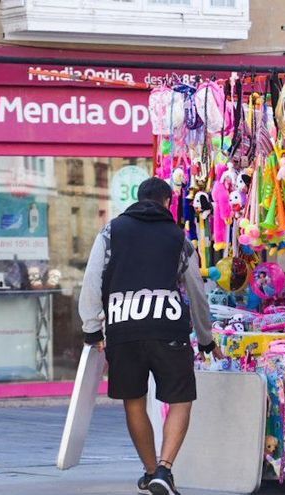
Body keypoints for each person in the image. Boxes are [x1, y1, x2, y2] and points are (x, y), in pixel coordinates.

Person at [79, 177, 224, 495]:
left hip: (122, 327)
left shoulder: (111, 231)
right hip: (167, 327)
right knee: (181, 400)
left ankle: (149, 471)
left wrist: (92, 329)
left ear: (137, 199)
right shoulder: (177, 237)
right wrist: (205, 337)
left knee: (134, 401)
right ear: (168, 202)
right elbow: (196, 291)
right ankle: (165, 470)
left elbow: (91, 280)